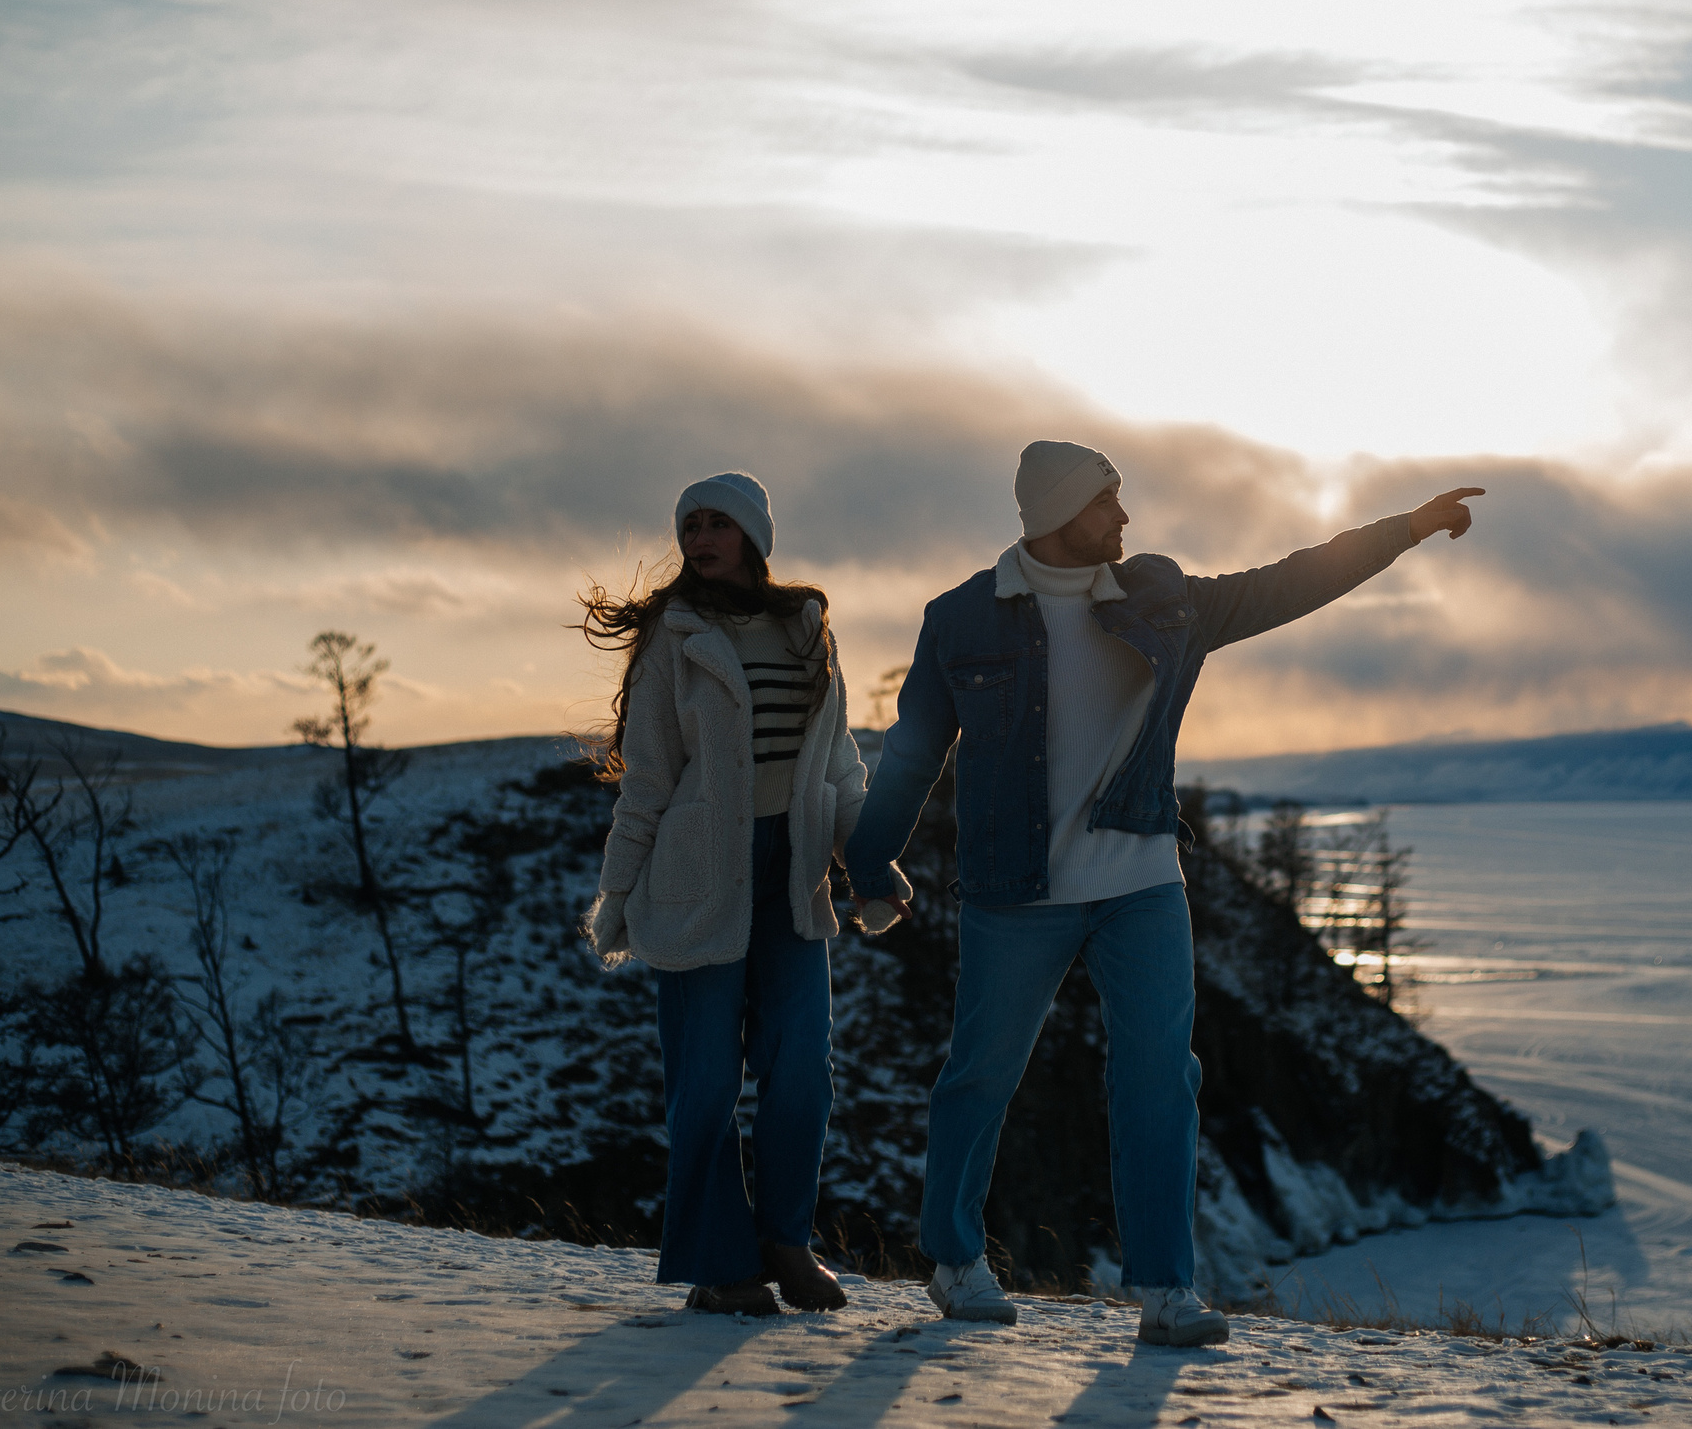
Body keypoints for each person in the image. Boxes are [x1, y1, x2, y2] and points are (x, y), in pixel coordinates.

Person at [843, 440, 1482, 1346]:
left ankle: (1165, 1288)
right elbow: (910, 754)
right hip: (1015, 889)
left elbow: (1289, 582)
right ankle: (954, 1259)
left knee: (1159, 1078)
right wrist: (871, 867)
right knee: (982, 1074)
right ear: (1060, 512)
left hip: (1141, 878)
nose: (1126, 519)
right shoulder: (961, 620)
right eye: (1109, 503)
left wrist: (1406, 529)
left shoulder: (1167, 601)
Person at [577, 471, 912, 1316]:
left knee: (803, 1066)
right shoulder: (672, 634)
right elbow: (647, 781)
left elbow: (839, 768)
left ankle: (785, 1242)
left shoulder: (805, 630)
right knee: (706, 1079)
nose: (699, 536)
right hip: (695, 878)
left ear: (756, 533)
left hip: (793, 873)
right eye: (689, 523)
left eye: (718, 521)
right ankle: (722, 1265)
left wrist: (870, 866)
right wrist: (616, 891)